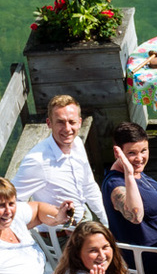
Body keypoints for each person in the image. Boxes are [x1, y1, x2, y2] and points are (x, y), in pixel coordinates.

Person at [13, 94, 108, 225]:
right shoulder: (37, 161)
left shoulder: (78, 144)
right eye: (60, 122)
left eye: (72, 122)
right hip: (59, 235)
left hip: (84, 220)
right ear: (49, 123)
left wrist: (106, 221)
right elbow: (11, 202)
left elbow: (88, 186)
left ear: (79, 122)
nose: (67, 129)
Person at [102, 122, 157, 249]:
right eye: (132, 153)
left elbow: (151, 205)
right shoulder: (115, 184)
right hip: (153, 252)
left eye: (143, 150)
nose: (139, 158)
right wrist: (129, 174)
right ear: (118, 153)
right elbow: (136, 216)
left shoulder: (138, 173)